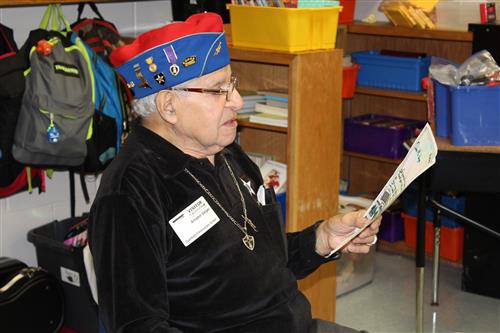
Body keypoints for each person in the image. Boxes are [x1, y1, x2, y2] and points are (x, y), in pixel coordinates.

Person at [88, 12, 381, 333]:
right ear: (168, 106)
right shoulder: (131, 191)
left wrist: (321, 239)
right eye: (219, 91)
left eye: (233, 85)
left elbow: (260, 260)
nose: (238, 102)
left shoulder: (226, 154)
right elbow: (137, 327)